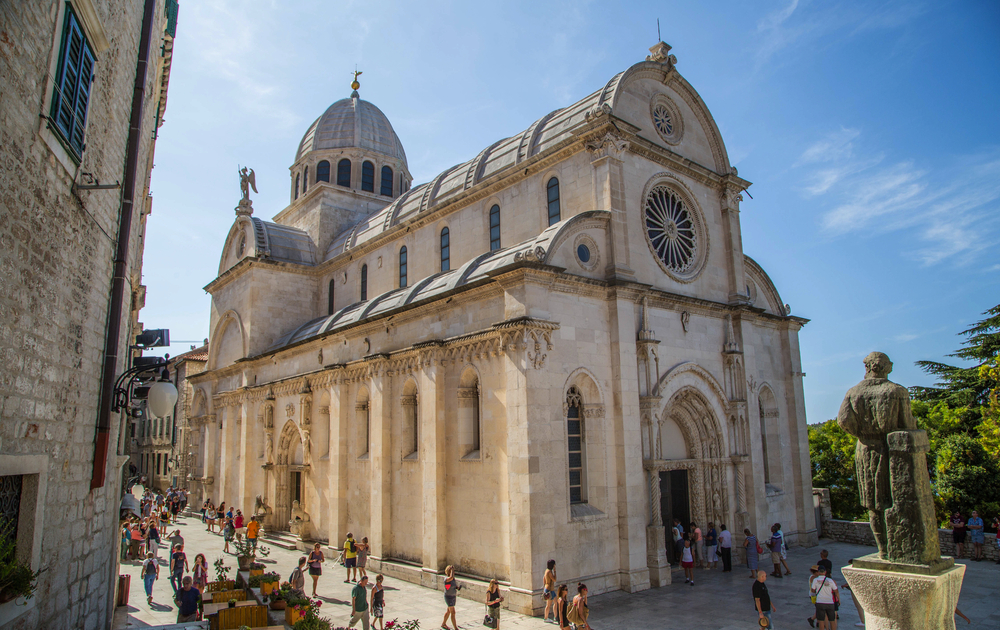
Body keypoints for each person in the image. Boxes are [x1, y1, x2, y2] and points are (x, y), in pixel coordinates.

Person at [811, 565, 839, 630]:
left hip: (820, 602)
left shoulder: (815, 580)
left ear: (818, 572)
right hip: (830, 602)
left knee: (821, 621)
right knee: (832, 620)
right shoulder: (830, 580)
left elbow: (813, 590)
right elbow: (836, 590)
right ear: (825, 572)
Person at [840, 559, 866, 628]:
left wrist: (846, 585)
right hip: (861, 590)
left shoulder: (853, 572)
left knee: (858, 606)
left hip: (855, 590)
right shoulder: (860, 571)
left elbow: (852, 582)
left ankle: (863, 621)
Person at [441, 564, 461, 630]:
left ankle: (443, 624)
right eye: (452, 571)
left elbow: (453, 585)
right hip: (448, 597)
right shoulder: (446, 579)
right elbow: (451, 578)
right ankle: (455, 628)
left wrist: (457, 587)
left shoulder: (452, 579)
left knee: (448, 611)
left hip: (453, 596)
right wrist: (452, 569)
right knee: (453, 612)